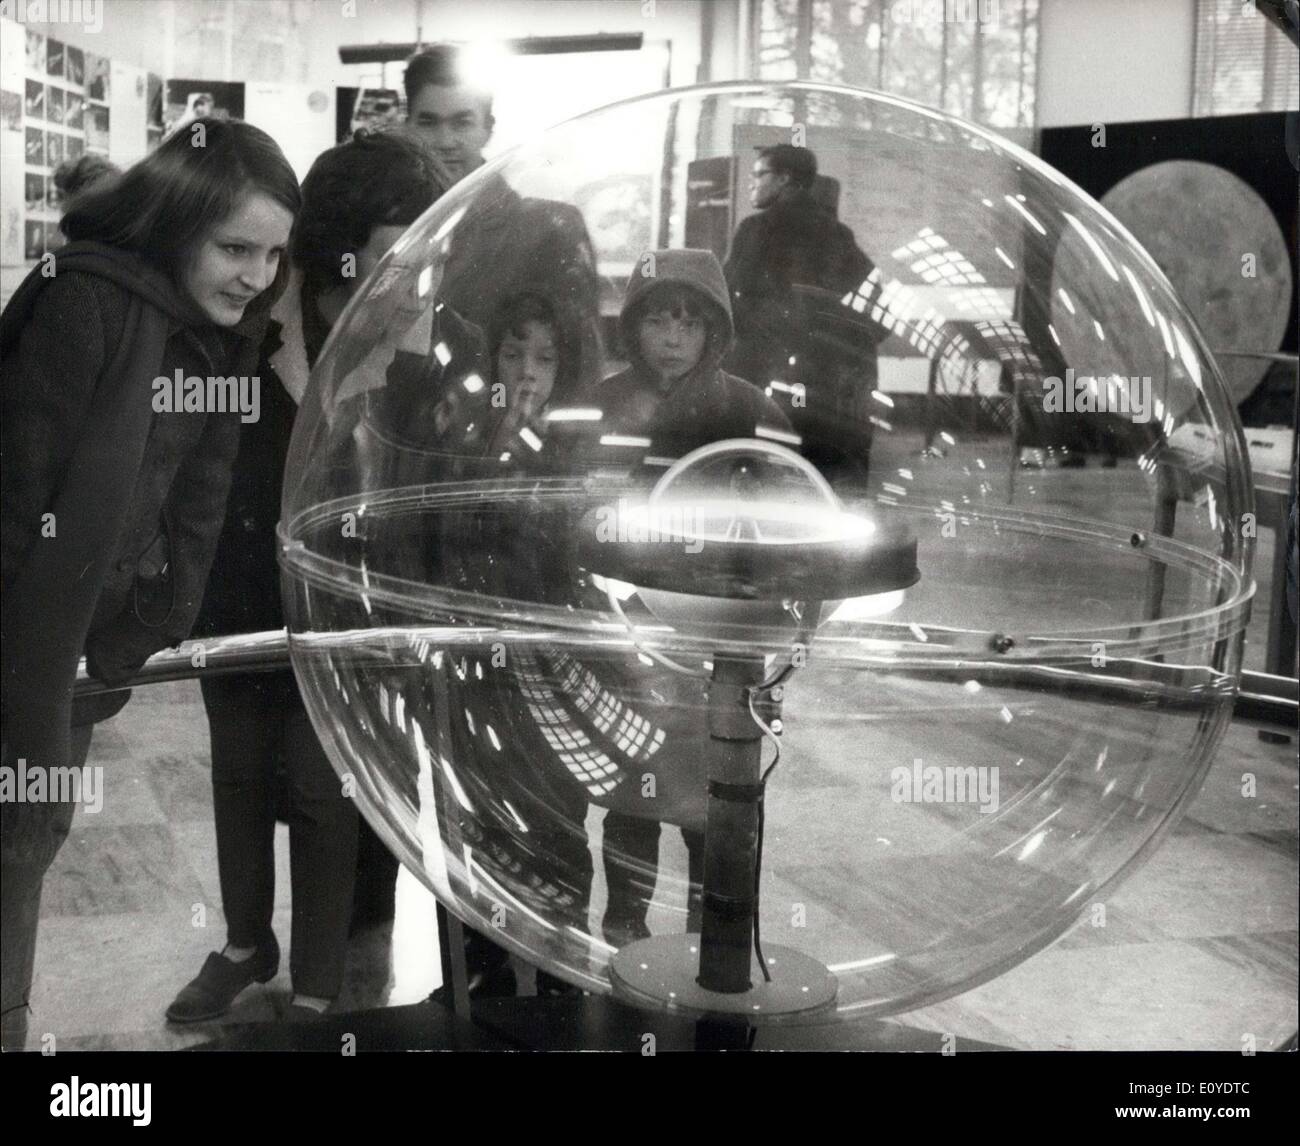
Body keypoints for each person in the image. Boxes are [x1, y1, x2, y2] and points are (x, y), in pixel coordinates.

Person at [0, 120, 298, 1051]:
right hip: (21, 637)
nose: (256, 274)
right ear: (175, 224)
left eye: (273, 254)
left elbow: (202, 495)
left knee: (26, 851)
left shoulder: (225, 336)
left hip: (74, 654)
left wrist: (143, 629)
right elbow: (16, 501)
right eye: (235, 246)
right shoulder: (87, 306)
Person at [166, 129, 453, 1024]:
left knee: (329, 791)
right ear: (338, 241)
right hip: (238, 592)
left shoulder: (429, 337)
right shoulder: (252, 320)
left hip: (347, 608)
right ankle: (247, 944)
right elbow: (195, 437)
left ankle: (322, 987)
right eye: (392, 242)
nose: (411, 264)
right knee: (240, 776)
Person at [571, 248, 792, 942]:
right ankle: (625, 921)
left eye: (689, 324)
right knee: (630, 790)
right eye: (658, 322)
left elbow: (791, 501)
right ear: (632, 327)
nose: (671, 339)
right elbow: (574, 500)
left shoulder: (748, 407)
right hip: (629, 630)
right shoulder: (604, 404)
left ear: (714, 331)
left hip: (719, 637)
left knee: (718, 795)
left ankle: (711, 928)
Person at [403, 44, 603, 390]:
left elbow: (578, 365)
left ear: (488, 127)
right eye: (429, 122)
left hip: (498, 427)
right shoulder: (397, 225)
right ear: (408, 126)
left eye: (462, 122)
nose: (445, 140)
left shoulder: (547, 231)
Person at [724, 144, 878, 484]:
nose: (751, 183)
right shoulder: (838, 234)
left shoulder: (756, 230)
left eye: (759, 174)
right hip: (826, 388)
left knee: (763, 481)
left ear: (784, 179)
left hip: (766, 381)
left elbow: (726, 300)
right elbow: (877, 307)